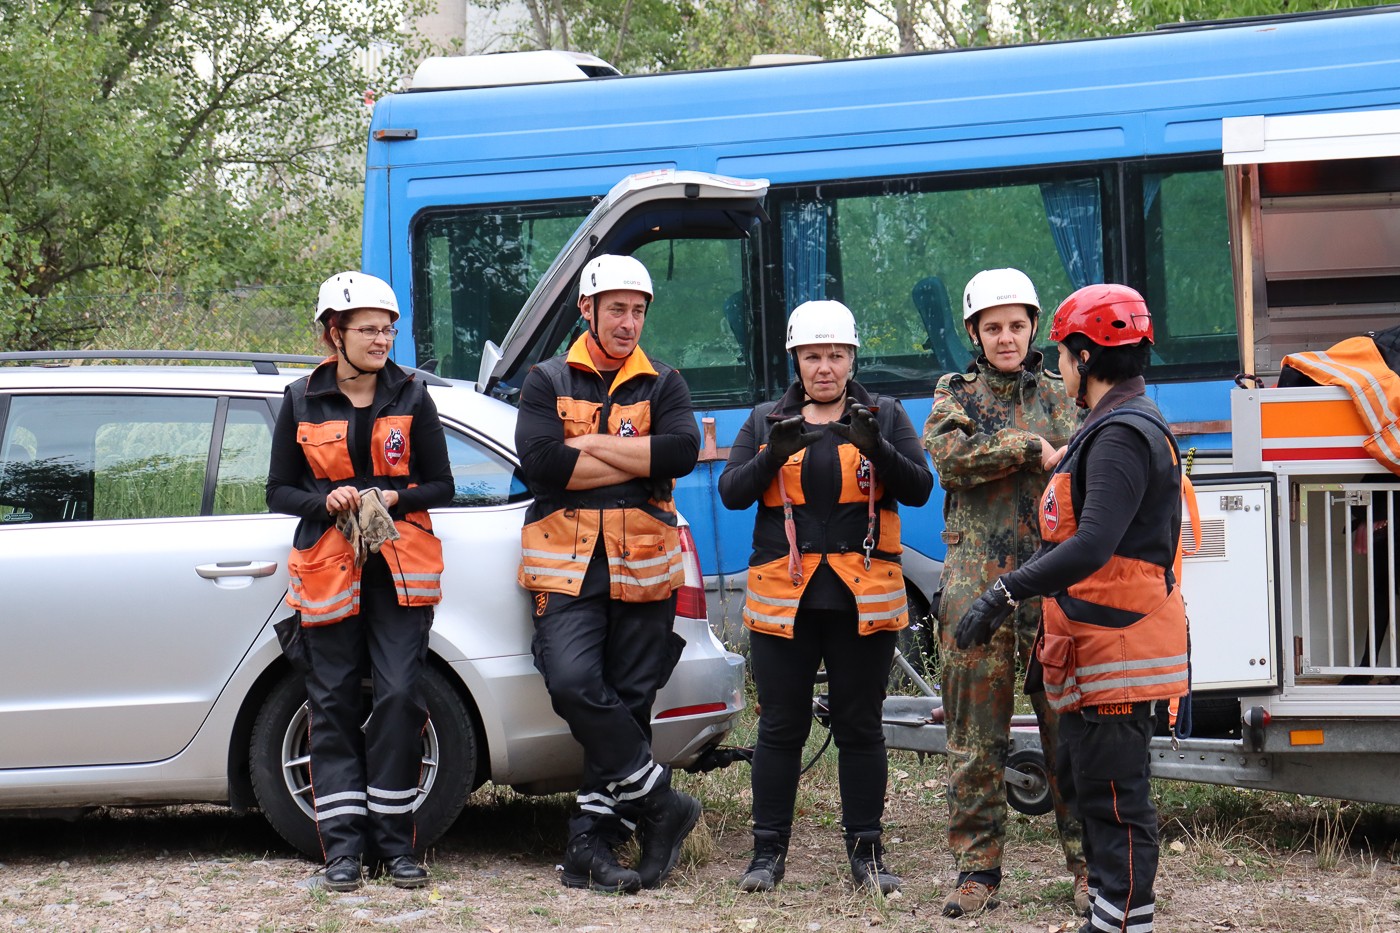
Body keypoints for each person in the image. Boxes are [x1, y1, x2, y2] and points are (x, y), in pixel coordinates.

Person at [955, 283, 1188, 933]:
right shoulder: (1108, 424)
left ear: (1085, 357)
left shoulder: (1120, 434)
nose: (1057, 364)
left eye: (1062, 352)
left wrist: (1005, 591)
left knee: (1115, 796)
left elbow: (1091, 544)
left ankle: (1123, 922)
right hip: (1097, 642)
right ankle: (1112, 917)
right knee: (1087, 778)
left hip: (1120, 645)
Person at [718, 300, 933, 895]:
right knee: (780, 728)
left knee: (860, 727)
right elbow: (732, 492)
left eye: (836, 355)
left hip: (862, 600)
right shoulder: (765, 418)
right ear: (796, 359)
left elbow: (919, 487)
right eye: (812, 356)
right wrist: (773, 453)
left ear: (852, 358)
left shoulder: (885, 414)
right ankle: (767, 855)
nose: (824, 367)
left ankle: (867, 856)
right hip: (784, 602)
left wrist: (877, 447)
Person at [514, 253, 703, 894]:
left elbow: (680, 452)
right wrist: (637, 460)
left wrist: (591, 445)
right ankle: (660, 801)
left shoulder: (665, 383)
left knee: (629, 702)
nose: (628, 322)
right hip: (566, 567)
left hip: (645, 565)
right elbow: (542, 464)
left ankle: (589, 845)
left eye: (638, 311)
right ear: (586, 310)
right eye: (617, 309)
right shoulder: (544, 380)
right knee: (572, 682)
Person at [267, 271, 455, 892]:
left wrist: (392, 497)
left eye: (388, 329)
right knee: (332, 704)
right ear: (334, 333)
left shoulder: (414, 396)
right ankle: (343, 853)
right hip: (328, 570)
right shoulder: (300, 399)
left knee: (400, 695)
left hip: (399, 571)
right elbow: (278, 490)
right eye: (369, 329)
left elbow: (443, 485)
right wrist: (325, 502)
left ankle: (396, 847)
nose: (382, 340)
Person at [922, 268, 1086, 918]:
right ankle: (977, 870)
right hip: (974, 586)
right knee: (974, 736)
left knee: (1068, 728)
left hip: (1053, 580)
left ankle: (1088, 866)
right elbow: (948, 456)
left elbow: (1090, 454)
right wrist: (1029, 446)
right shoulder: (954, 392)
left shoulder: (1062, 391)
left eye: (1017, 324)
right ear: (974, 333)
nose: (1007, 337)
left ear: (1034, 326)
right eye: (993, 327)